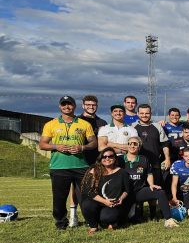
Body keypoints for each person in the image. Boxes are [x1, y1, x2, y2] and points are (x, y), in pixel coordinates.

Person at [39, 95, 98, 230]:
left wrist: (82, 147)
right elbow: (42, 144)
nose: (67, 107)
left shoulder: (84, 124)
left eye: (69, 104)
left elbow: (94, 142)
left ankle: (90, 220)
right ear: (60, 106)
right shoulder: (51, 124)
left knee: (86, 195)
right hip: (59, 167)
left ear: (74, 106)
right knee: (59, 198)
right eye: (64, 104)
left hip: (81, 166)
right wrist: (56, 146)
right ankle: (61, 223)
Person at [118, 136, 170, 226]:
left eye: (135, 144)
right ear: (126, 146)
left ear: (139, 147)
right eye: (129, 144)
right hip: (124, 194)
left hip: (139, 191)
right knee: (124, 220)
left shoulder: (143, 159)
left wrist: (151, 184)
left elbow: (149, 174)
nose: (132, 146)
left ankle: (169, 219)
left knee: (160, 192)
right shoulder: (119, 160)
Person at [80, 148, 131, 235]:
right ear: (100, 159)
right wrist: (104, 201)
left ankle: (110, 221)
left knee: (108, 217)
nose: (107, 158)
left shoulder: (122, 172)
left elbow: (127, 190)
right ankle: (94, 226)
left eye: (110, 156)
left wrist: (121, 198)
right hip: (98, 201)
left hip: (113, 203)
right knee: (86, 204)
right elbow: (88, 191)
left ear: (115, 158)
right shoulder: (94, 171)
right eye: (104, 156)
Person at [133, 104, 171, 186]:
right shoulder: (132, 127)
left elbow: (164, 144)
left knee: (155, 187)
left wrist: (167, 159)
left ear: (151, 113)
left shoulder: (157, 126)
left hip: (155, 164)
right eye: (142, 113)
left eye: (147, 113)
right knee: (139, 187)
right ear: (138, 114)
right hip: (138, 164)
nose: (144, 115)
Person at [78, 95, 107, 164]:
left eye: (93, 105)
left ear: (97, 106)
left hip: (97, 159)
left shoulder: (102, 122)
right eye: (88, 104)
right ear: (83, 106)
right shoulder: (77, 121)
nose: (91, 107)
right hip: (80, 158)